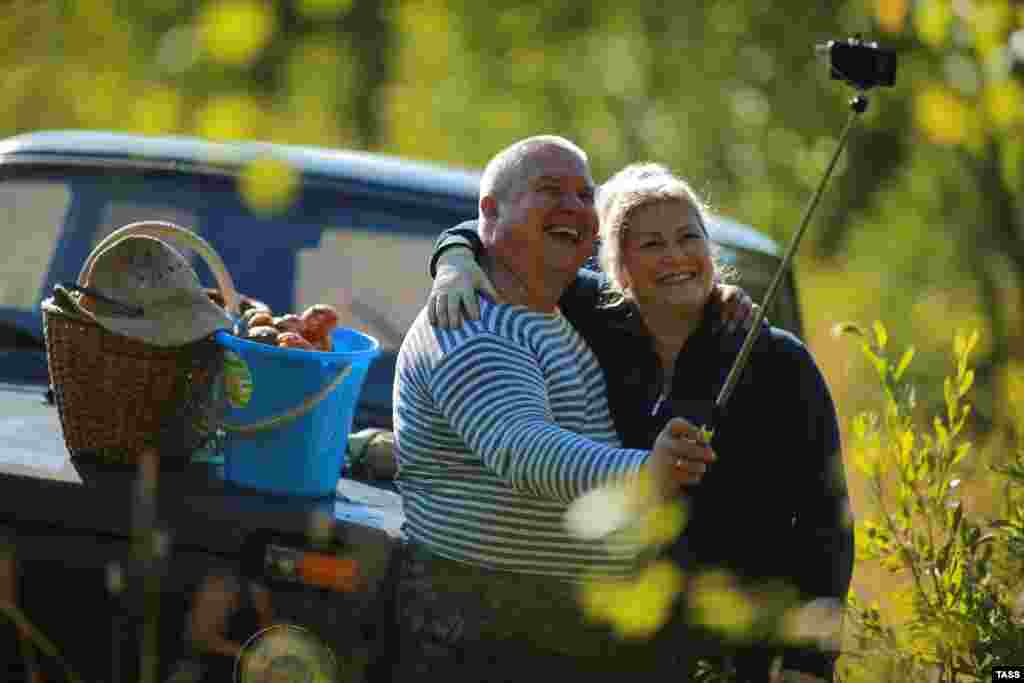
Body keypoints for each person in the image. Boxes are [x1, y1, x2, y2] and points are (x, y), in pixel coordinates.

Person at [426, 162, 854, 683]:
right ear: (617, 268)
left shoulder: (780, 362)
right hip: (607, 637)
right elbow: (501, 238)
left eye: (688, 237)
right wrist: (453, 259)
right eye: (651, 244)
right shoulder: (587, 317)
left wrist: (809, 662)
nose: (675, 256)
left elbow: (825, 520)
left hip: (738, 646)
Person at [391, 136, 718, 681]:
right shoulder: (472, 319)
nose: (574, 208)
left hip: (548, 626)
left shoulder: (558, 315)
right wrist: (648, 471)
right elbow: (524, 450)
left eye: (585, 196)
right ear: (490, 216)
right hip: (477, 623)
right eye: (549, 191)